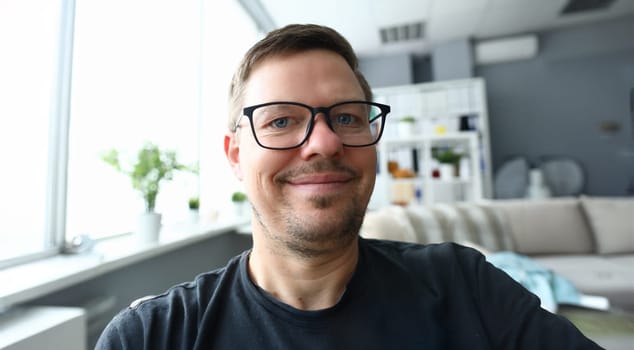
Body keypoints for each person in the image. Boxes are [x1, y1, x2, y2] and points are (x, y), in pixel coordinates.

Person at [96, 24, 601, 349]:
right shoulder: (152, 337)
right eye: (280, 122)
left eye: (346, 117)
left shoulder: (465, 286)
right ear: (235, 155)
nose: (324, 142)